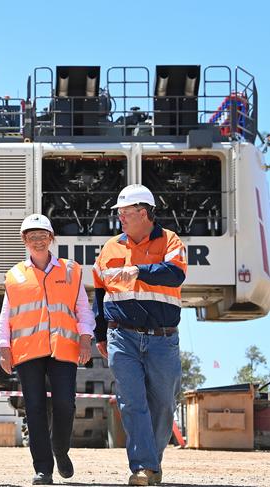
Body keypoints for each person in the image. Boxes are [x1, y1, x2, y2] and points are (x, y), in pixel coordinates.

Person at [92, 184, 187, 486]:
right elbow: (99, 292)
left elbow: (176, 273)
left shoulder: (170, 240)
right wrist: (100, 334)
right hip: (123, 337)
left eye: (124, 213)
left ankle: (151, 462)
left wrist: (139, 270)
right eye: (119, 213)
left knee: (163, 404)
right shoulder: (109, 248)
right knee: (131, 402)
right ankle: (143, 467)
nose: (120, 218)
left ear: (142, 213)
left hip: (163, 338)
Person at [0, 214, 95, 485]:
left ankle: (60, 450)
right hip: (28, 351)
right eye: (31, 237)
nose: (37, 241)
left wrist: (85, 338)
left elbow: (82, 309)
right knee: (35, 408)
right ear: (24, 241)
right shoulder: (15, 275)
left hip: (64, 349)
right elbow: (7, 315)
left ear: (51, 239)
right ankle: (43, 468)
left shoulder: (71, 270)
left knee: (65, 404)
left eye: (42, 236)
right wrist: (4, 347)